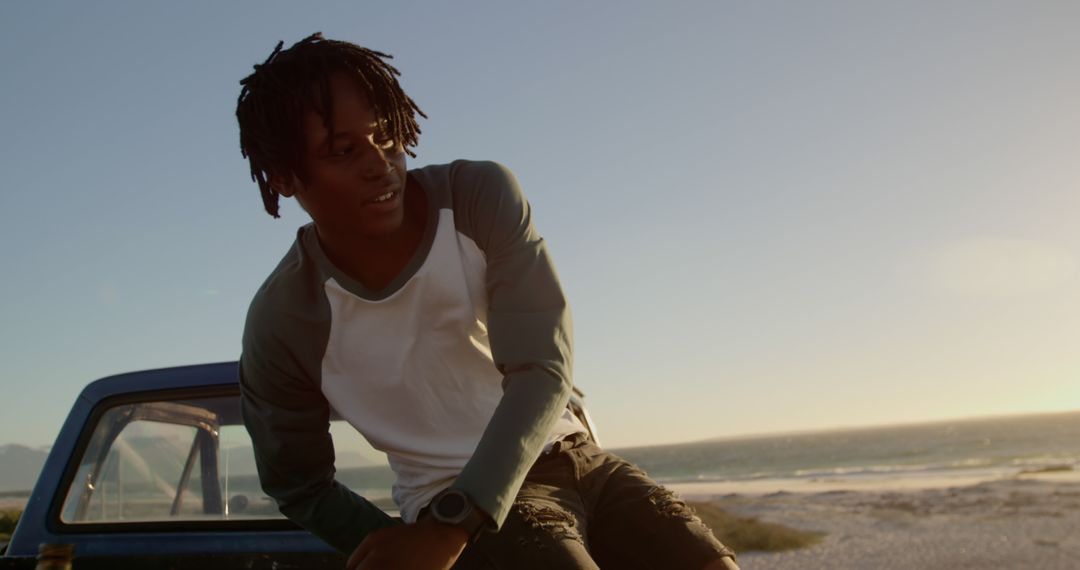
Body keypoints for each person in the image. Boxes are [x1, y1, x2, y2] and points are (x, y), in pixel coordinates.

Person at [235, 32, 740, 570]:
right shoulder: (285, 320)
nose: (380, 163)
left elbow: (542, 367)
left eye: (386, 136)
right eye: (343, 150)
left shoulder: (479, 197)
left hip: (579, 460)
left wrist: (450, 526)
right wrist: (406, 543)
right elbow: (298, 483)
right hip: (452, 493)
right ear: (285, 178)